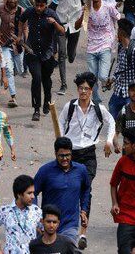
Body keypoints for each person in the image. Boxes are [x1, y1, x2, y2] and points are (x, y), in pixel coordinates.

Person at [57, 72, 116, 249]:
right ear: (77, 89)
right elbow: (59, 123)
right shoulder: (70, 107)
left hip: (89, 155)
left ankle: (82, 233)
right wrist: (61, 142)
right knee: (67, 189)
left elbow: (111, 122)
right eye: (81, 88)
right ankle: (66, 227)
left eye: (87, 89)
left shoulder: (99, 108)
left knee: (85, 190)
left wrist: (108, 140)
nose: (83, 91)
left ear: (92, 91)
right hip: (71, 154)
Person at [18, 0, 65, 121]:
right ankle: (36, 109)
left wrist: (54, 23)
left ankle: (47, 100)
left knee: (46, 80)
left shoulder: (51, 14)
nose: (39, 8)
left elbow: (62, 31)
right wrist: (20, 36)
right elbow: (21, 21)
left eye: (41, 6)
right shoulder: (30, 11)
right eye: (37, 5)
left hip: (47, 54)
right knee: (36, 78)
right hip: (32, 52)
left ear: (46, 5)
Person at [34, 137, 91, 244]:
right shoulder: (45, 171)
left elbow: (86, 189)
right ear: (55, 154)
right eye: (61, 155)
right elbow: (33, 193)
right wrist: (36, 216)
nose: (65, 159)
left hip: (70, 225)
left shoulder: (81, 170)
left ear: (71, 154)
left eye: (67, 155)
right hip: (48, 225)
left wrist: (84, 210)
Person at [47, 0, 87, 96]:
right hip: (61, 24)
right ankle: (63, 84)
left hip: (75, 25)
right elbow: (47, 2)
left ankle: (73, 53)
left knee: (70, 56)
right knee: (62, 55)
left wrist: (83, 16)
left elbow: (85, 0)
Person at [83, 0, 120, 103]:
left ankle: (110, 80)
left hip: (105, 44)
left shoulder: (108, 7)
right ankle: (96, 101)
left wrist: (119, 34)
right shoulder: (87, 9)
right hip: (91, 46)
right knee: (91, 78)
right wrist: (83, 14)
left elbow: (118, 18)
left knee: (103, 76)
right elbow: (80, 25)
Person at [0, 0, 24, 108]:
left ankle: (9, 73)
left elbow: (25, 27)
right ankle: (13, 96)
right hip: (4, 45)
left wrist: (22, 39)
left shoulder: (22, 11)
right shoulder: (0, 8)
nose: (12, 1)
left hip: (18, 47)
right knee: (9, 69)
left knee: (19, 70)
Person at [0, 175, 43, 253]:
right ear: (19, 194)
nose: (33, 196)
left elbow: (44, 230)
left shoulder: (36, 211)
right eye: (29, 193)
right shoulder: (5, 211)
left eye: (33, 193)